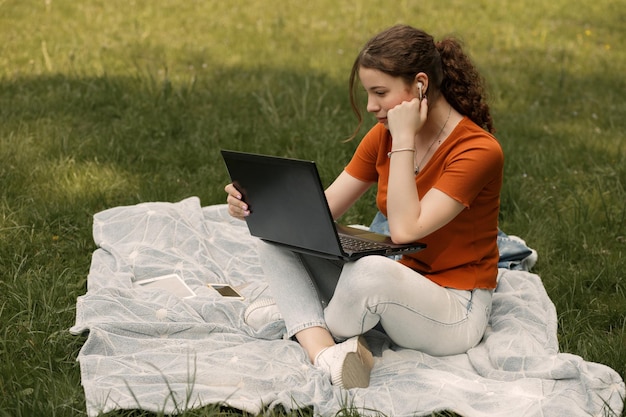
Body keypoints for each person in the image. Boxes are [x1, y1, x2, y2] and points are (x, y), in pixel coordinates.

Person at [224, 24, 503, 390]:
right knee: (275, 237)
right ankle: (326, 353)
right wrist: (258, 204)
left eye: (380, 93)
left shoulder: (478, 151)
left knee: (369, 272)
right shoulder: (382, 136)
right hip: (398, 286)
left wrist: (403, 139)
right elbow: (318, 214)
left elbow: (404, 230)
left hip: (455, 311)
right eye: (368, 93)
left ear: (420, 85)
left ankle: (302, 318)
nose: (371, 106)